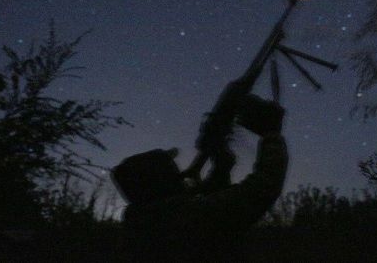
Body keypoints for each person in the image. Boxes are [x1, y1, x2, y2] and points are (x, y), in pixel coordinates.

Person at [111, 94, 288, 261]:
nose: (179, 173)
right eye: (171, 169)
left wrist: (222, 166)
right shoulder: (178, 219)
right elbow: (262, 188)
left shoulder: (146, 223)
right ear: (158, 182)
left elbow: (214, 209)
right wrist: (271, 134)